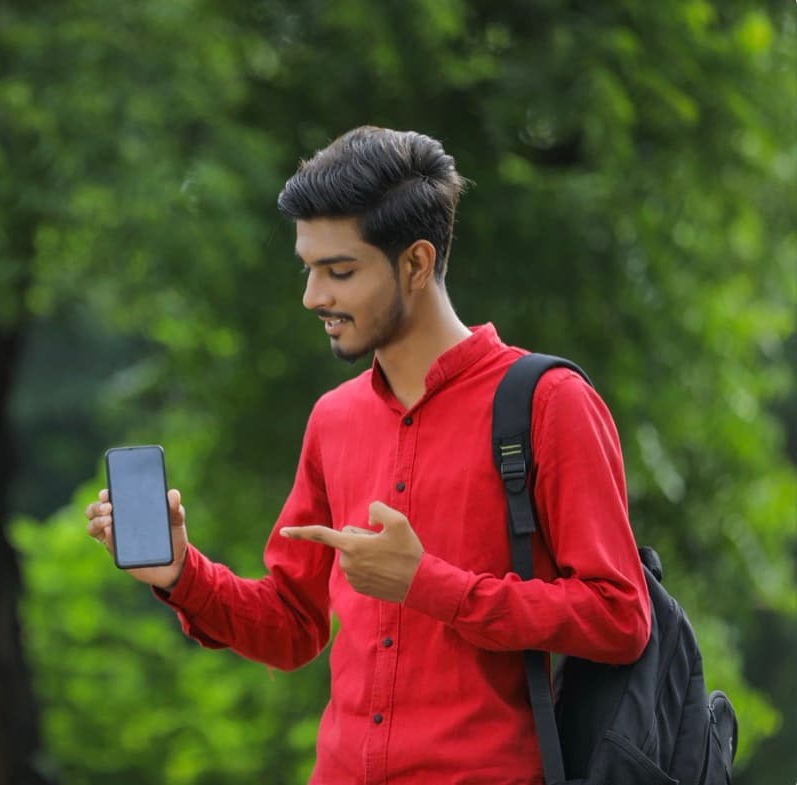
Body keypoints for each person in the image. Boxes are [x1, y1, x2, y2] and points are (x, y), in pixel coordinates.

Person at [84, 126, 650, 784]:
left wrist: (431, 584)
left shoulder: (550, 404)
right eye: (309, 268)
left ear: (415, 262)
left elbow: (620, 615)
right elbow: (293, 627)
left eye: (340, 271)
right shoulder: (334, 420)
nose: (313, 296)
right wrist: (180, 573)